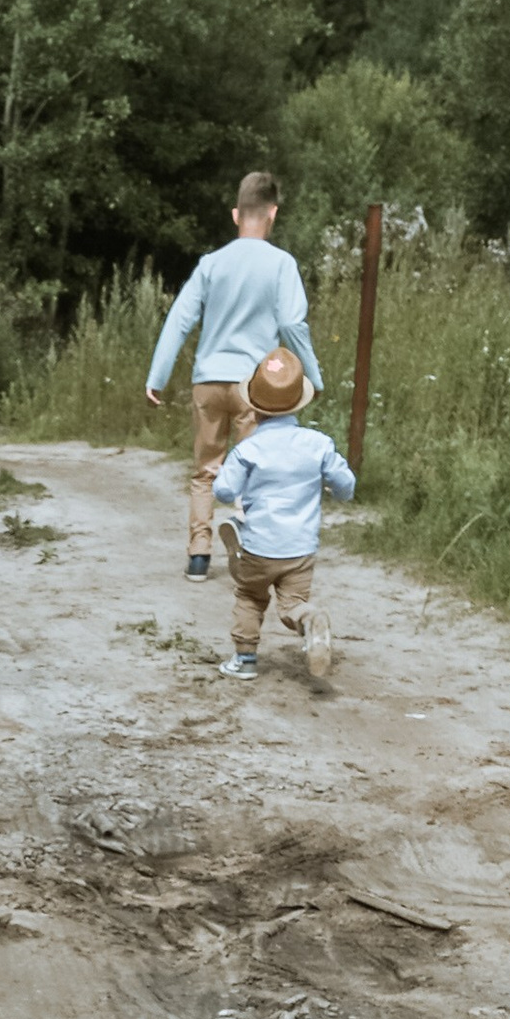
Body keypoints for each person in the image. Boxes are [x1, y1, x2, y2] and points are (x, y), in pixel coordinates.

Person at [145, 172, 325, 579]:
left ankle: (198, 555)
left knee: (205, 469)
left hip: (208, 382)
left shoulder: (211, 264)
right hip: (254, 389)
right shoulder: (281, 264)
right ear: (273, 213)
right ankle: (249, 548)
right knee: (255, 470)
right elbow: (292, 324)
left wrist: (158, 375)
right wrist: (311, 377)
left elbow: (180, 318)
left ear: (235, 214)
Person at [208, 348, 354, 683]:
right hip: (301, 548)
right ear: (299, 403)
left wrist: (226, 480)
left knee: (250, 596)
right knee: (292, 604)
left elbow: (224, 492)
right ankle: (309, 620)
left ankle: (245, 659)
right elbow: (346, 485)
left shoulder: (248, 449)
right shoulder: (318, 444)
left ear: (253, 407)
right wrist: (337, 491)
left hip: (259, 546)